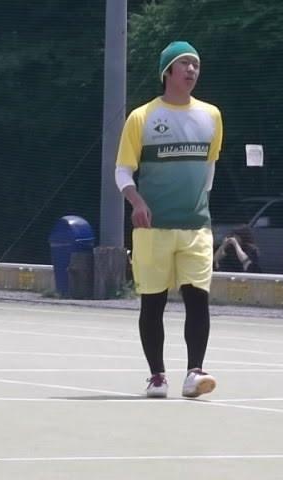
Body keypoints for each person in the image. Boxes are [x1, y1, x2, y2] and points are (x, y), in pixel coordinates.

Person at [115, 40, 223, 398]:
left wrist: (198, 205)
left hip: (196, 228)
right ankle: (157, 376)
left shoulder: (211, 116)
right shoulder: (142, 117)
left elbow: (209, 169)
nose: (191, 70)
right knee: (153, 302)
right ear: (167, 72)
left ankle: (195, 373)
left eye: (196, 64)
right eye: (184, 64)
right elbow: (122, 171)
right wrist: (136, 201)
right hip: (152, 230)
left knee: (198, 299)